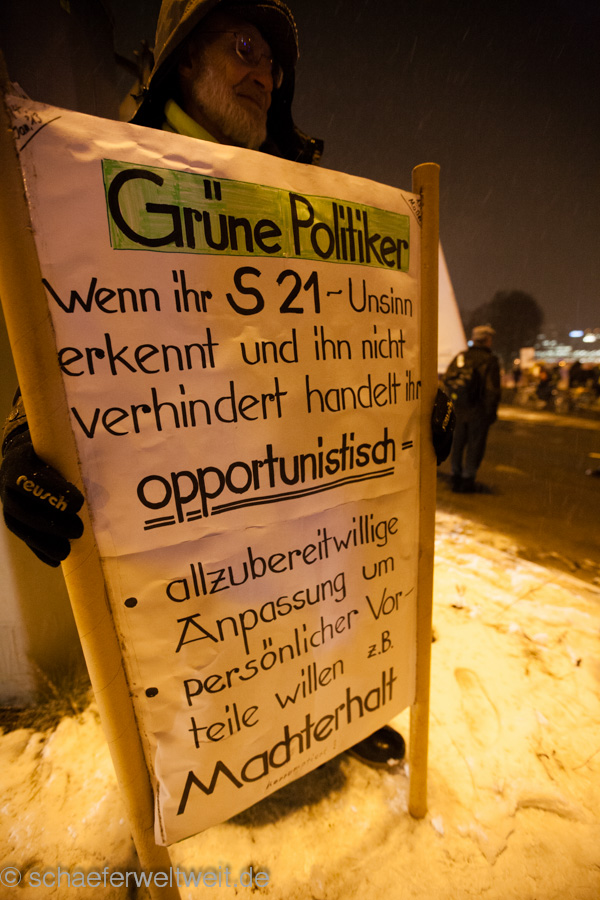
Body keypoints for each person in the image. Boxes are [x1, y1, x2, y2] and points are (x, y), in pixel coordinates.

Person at [0, 0, 454, 768]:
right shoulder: (96, 178)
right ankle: (232, 752)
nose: (264, 76)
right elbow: (73, 326)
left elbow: (358, 337)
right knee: (225, 645)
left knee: (318, 612)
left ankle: (337, 711)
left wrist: (420, 402)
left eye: (273, 64)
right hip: (197, 506)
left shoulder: (303, 196)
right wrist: (24, 440)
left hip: (305, 490)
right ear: (184, 58)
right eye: (244, 47)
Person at [443, 324, 500, 493]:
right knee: (475, 445)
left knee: (458, 443)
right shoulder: (489, 360)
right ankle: (468, 478)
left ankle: (455, 475)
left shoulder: (461, 357)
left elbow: (448, 380)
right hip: (478, 410)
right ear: (487, 340)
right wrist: (491, 412)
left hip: (459, 409)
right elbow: (492, 390)